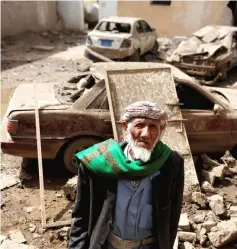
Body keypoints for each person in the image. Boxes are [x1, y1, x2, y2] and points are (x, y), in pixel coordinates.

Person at [68, 101, 184, 249]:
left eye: (153, 127)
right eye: (139, 125)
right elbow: (81, 216)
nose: (146, 134)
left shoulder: (171, 163)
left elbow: (172, 218)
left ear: (161, 130)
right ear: (125, 127)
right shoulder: (101, 161)